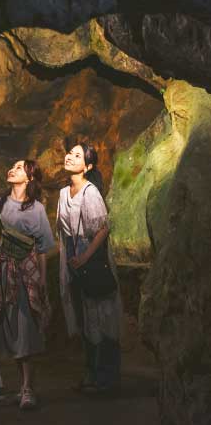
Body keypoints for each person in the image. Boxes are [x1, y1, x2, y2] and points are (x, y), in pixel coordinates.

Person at [0, 157, 54, 410]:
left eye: (19, 167)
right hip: (2, 273)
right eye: (12, 166)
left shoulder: (36, 209)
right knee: (8, 328)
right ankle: (21, 388)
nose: (12, 169)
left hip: (25, 275)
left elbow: (42, 248)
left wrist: (42, 280)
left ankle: (28, 388)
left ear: (29, 177)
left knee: (25, 329)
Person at [58, 143, 122, 394]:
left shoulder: (90, 192)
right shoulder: (64, 194)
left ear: (88, 166)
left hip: (90, 260)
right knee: (84, 319)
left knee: (101, 317)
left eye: (77, 155)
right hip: (73, 262)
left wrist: (84, 256)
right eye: (70, 153)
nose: (70, 157)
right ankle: (91, 375)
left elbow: (103, 229)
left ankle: (106, 379)